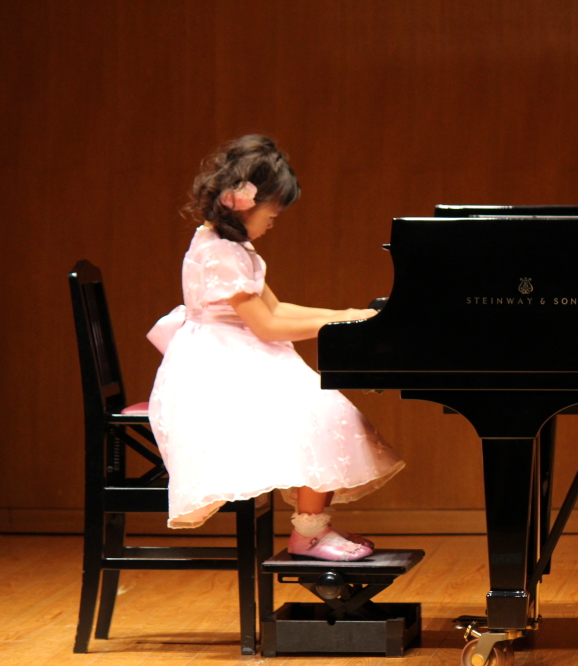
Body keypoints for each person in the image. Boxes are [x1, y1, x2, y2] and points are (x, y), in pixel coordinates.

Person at [146, 135, 403, 561]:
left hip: (237, 351)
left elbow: (276, 307)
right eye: (271, 214)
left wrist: (347, 314)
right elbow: (267, 326)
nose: (273, 223)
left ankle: (314, 526)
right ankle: (310, 532)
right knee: (323, 412)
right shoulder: (219, 251)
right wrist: (342, 322)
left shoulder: (231, 245)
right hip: (216, 365)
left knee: (325, 408)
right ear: (243, 204)